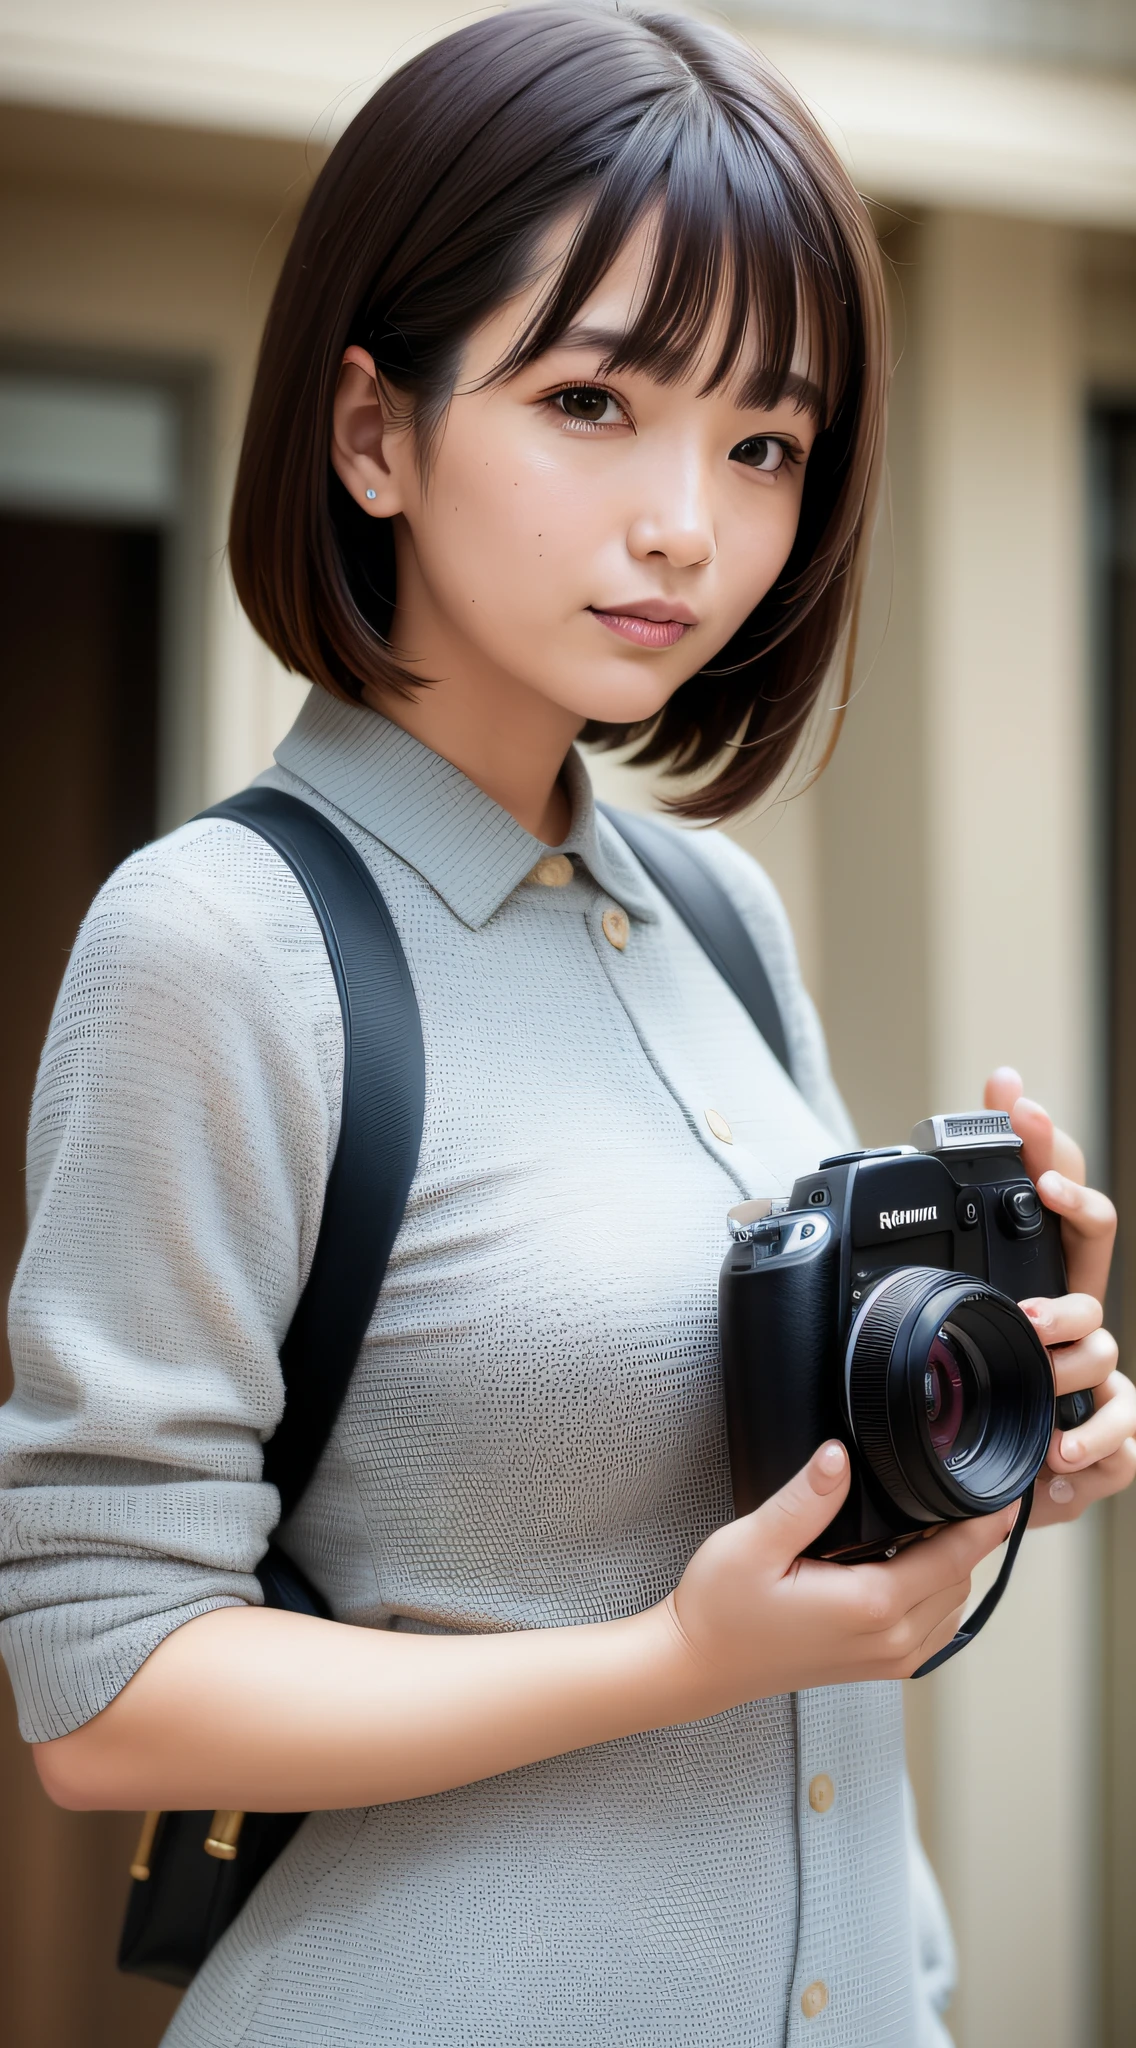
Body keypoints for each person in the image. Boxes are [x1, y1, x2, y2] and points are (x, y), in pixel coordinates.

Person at [2, 8, 1132, 2044]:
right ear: (373, 431)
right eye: (594, 400)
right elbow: (104, 1686)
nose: (689, 522)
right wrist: (668, 1659)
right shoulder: (220, 942)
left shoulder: (713, 907)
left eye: (762, 442)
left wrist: (981, 1427)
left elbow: (757, 1507)